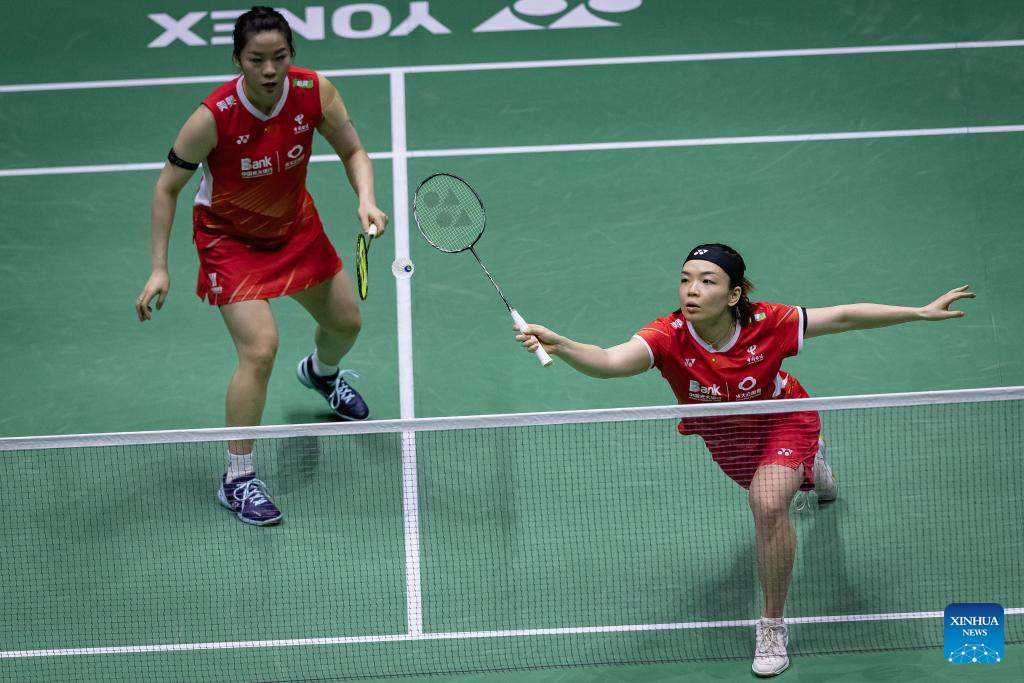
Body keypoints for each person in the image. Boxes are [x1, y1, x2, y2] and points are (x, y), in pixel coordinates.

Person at [515, 243, 975, 677]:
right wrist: (564, 345)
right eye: (685, 279)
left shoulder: (767, 322)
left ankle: (771, 625)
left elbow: (841, 316)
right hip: (726, 438)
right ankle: (813, 465)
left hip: (783, 417)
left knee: (768, 503)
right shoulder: (668, 335)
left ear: (733, 294)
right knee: (770, 494)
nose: (692, 290)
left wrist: (919, 311)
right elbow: (610, 361)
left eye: (707, 281)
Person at [135, 6, 388, 527]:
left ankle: (320, 374)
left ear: (292, 54)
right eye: (256, 59)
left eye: (279, 56)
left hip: (294, 228)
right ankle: (238, 477)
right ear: (238, 60)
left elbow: (354, 151)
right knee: (260, 348)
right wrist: (159, 267)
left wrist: (366, 198)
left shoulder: (314, 92)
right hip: (230, 241)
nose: (269, 69)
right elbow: (166, 188)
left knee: (346, 323)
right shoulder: (212, 117)